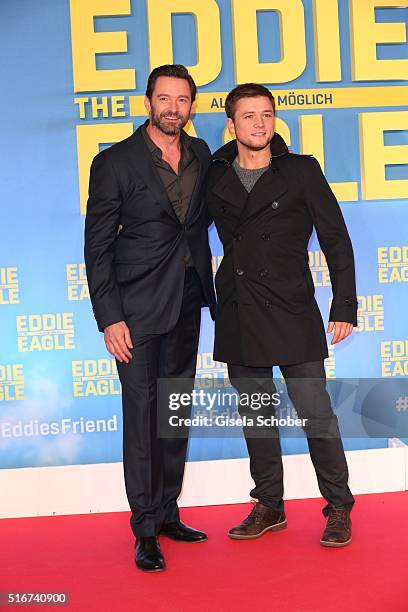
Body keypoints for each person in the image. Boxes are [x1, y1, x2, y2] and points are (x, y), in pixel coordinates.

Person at [206, 83, 357, 547]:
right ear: (232, 125)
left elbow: (335, 237)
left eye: (266, 114)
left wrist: (345, 305)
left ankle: (338, 508)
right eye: (248, 116)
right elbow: (185, 232)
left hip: (292, 308)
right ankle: (269, 504)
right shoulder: (214, 175)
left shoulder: (301, 171)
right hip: (239, 309)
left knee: (317, 415)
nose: (259, 123)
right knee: (256, 416)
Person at [84, 64, 216, 571]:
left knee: (173, 411)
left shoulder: (202, 154)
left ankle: (167, 512)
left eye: (183, 100)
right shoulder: (114, 162)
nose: (174, 109)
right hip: (135, 310)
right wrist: (109, 317)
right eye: (165, 99)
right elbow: (97, 248)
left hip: (186, 301)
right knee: (142, 419)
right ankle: (144, 529)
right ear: (147, 103)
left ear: (191, 106)